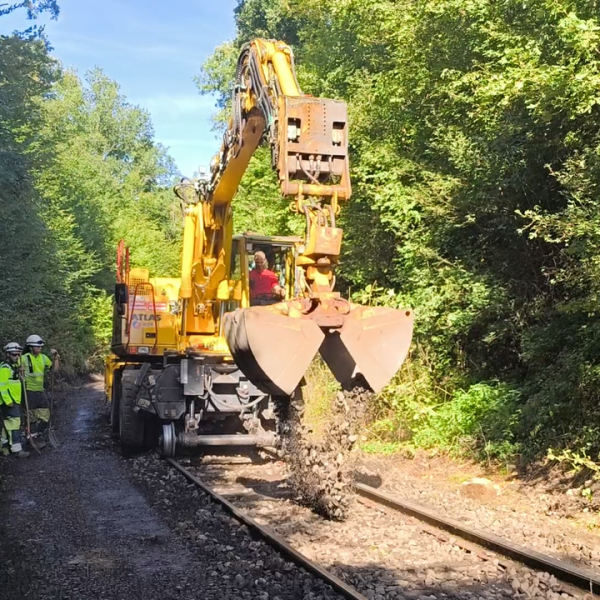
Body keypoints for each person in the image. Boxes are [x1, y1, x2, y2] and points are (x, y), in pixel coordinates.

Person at [22, 334, 58, 448]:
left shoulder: (43, 358)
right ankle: (30, 438)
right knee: (31, 416)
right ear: (31, 347)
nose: (40, 349)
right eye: (38, 347)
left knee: (46, 415)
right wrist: (19, 372)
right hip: (28, 391)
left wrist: (56, 358)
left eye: (41, 347)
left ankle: (37, 434)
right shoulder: (23, 358)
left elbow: (55, 370)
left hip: (40, 391)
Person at [0, 342, 29, 458]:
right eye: (14, 355)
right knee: (14, 424)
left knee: (8, 424)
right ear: (7, 355)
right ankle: (17, 449)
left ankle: (5, 447)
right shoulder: (4, 367)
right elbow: (2, 386)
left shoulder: (15, 366)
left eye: (18, 355)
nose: (16, 357)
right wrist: (8, 401)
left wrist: (21, 373)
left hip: (15, 400)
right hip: (9, 401)